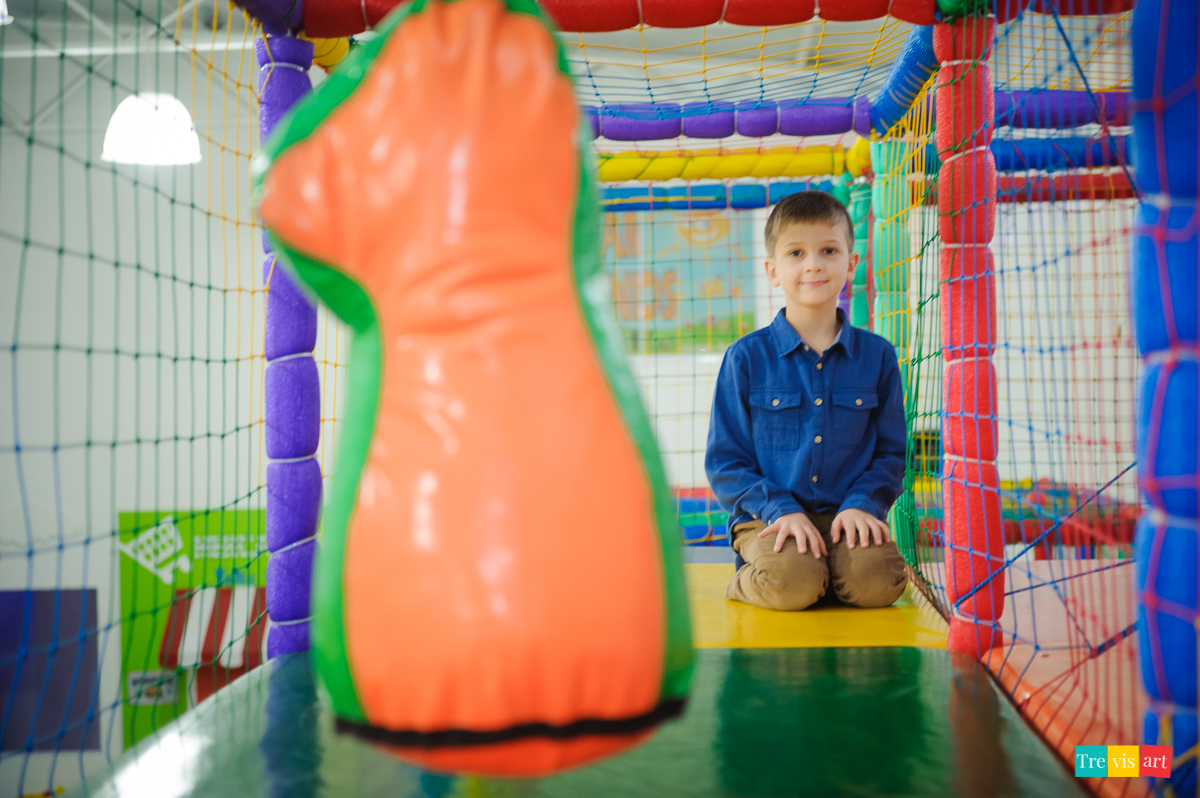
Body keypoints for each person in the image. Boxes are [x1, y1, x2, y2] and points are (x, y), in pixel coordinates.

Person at [705, 190, 908, 611]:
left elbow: (891, 454)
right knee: (792, 583)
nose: (813, 264)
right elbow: (725, 464)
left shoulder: (878, 356)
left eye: (828, 250)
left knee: (878, 584)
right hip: (769, 518)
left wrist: (862, 504)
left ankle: (831, 568)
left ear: (851, 264)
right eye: (796, 253)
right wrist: (779, 509)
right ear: (773, 270)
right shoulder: (745, 358)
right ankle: (758, 575)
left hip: (846, 516)